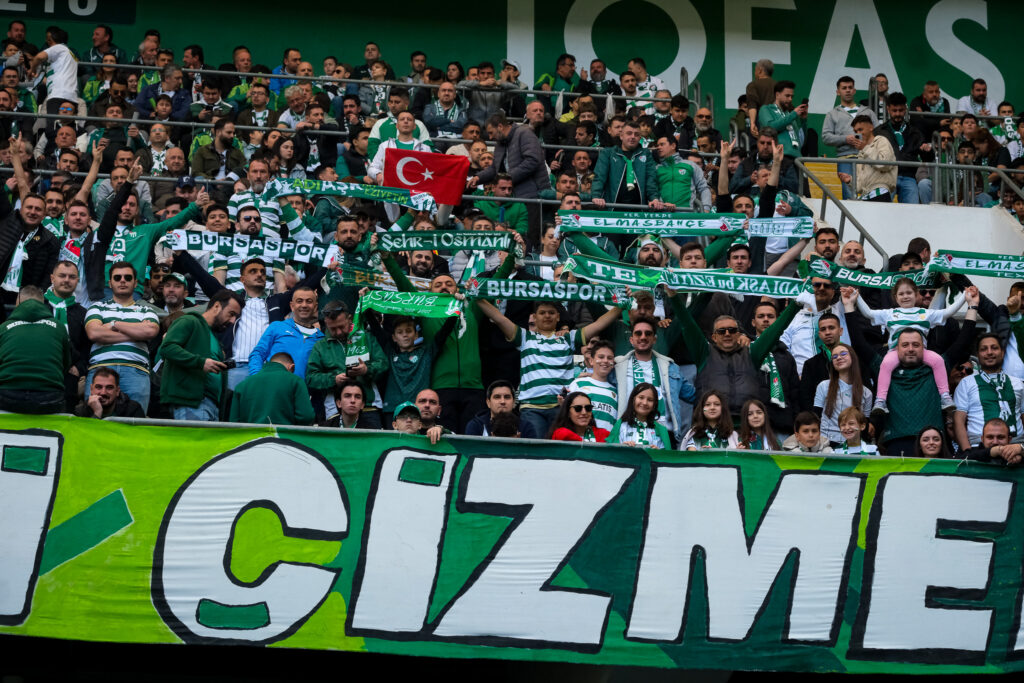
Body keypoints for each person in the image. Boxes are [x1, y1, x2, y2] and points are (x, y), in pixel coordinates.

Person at [474, 297, 624, 439]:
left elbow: (599, 324)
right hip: (532, 407)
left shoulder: (569, 338)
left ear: (558, 317)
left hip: (560, 407)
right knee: (536, 451)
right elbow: (499, 318)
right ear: (534, 317)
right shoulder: (525, 337)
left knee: (560, 450)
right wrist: (476, 297)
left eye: (551, 313)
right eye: (542, 313)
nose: (547, 316)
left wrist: (621, 306)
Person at [854, 278, 965, 415]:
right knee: (885, 364)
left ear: (916, 294)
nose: (905, 296)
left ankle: (945, 396)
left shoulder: (925, 313)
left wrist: (965, 296)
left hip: (921, 352)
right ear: (895, 297)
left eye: (909, 293)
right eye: (901, 294)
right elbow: (868, 313)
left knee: (938, 360)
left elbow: (948, 312)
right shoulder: (890, 313)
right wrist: (856, 295)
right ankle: (880, 400)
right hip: (896, 352)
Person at [158, 289, 242, 421]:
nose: (233, 321)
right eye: (231, 314)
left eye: (236, 317)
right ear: (216, 306)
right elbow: (167, 347)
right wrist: (201, 363)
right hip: (191, 403)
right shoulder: (189, 320)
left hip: (211, 406)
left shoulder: (214, 338)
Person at [85, 263, 159, 411]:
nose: (123, 281)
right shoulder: (97, 307)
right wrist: (135, 334)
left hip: (136, 370)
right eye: (117, 278)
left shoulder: (147, 310)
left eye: (128, 277)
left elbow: (150, 331)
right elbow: (94, 333)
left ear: (135, 283)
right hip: (101, 370)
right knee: (95, 420)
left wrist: (114, 324)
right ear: (110, 283)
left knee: (134, 421)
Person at [472, 112, 551, 245]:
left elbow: (532, 161)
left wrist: (508, 178)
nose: (490, 137)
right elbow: (494, 168)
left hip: (532, 194)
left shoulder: (525, 133)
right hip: (514, 194)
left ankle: (529, 256)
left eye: (491, 133)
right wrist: (478, 178)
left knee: (529, 235)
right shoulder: (500, 142)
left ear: (500, 126)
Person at [306, 300, 385, 427]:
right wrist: (334, 379)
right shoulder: (320, 347)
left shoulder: (366, 338)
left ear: (350, 319)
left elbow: (383, 364)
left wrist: (366, 370)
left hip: (368, 406)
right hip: (335, 409)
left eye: (341, 327)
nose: (338, 332)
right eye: (333, 329)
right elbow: (311, 378)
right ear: (326, 323)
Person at [0, 285, 70, 414]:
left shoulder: (4, 328)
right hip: (50, 396)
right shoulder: (59, 327)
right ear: (43, 304)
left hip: (8, 395)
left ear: (17, 303)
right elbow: (66, 364)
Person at [953, 333, 1024, 450]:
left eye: (994, 348)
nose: (989, 352)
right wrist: (967, 452)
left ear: (1002, 352)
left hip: (1015, 447)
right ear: (978, 355)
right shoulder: (966, 383)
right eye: (984, 349)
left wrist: (1021, 448)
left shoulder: (1018, 383)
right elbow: (959, 421)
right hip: (979, 448)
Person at [248, 286, 323, 378]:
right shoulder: (277, 327)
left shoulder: (321, 339)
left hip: (302, 387)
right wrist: (257, 378)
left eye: (309, 301)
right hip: (274, 384)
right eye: (299, 301)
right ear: (292, 306)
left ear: (315, 306)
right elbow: (258, 354)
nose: (304, 305)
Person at [590, 120, 664, 212]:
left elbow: (651, 178)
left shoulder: (646, 154)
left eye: (636, 134)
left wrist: (654, 198)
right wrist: (596, 196)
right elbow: (599, 176)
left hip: (639, 208)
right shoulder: (608, 153)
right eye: (629, 133)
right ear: (621, 136)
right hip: (612, 207)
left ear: (640, 138)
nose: (633, 137)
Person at [874, 92, 934, 204]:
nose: (897, 114)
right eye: (894, 110)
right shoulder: (879, 131)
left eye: (900, 110)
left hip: (909, 177)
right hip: (886, 176)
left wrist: (927, 151)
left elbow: (928, 158)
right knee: (883, 208)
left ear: (905, 109)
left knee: (912, 209)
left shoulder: (915, 132)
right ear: (888, 109)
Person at [823, 77, 877, 198]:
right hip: (845, 158)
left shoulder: (868, 112)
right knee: (849, 196)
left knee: (870, 192)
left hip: (867, 156)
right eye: (844, 88)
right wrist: (845, 139)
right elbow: (826, 137)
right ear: (838, 92)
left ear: (854, 90)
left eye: (850, 87)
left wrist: (866, 144)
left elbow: (878, 133)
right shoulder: (832, 114)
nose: (847, 90)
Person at [813, 343, 874, 447]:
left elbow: (865, 423)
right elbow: (816, 416)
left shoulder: (866, 393)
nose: (839, 358)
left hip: (853, 445)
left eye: (843, 354)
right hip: (826, 444)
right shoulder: (824, 386)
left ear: (853, 357)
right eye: (834, 356)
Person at [230, 351, 315, 426]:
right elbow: (306, 416)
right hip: (284, 437)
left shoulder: (242, 385)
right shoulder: (296, 381)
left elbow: (233, 422)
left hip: (251, 437)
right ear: (291, 367)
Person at [837, 115, 896, 201]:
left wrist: (865, 148)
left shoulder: (881, 140)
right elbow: (861, 187)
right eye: (855, 131)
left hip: (880, 193)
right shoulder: (862, 151)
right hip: (867, 195)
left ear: (871, 127)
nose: (858, 133)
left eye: (860, 129)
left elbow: (885, 164)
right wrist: (850, 180)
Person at [567, 339, 618, 433]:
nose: (605, 361)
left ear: (613, 363)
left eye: (609, 358)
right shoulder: (578, 384)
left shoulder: (616, 392)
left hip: (606, 440)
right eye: (601, 357)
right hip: (580, 439)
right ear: (591, 360)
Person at [607, 382, 671, 448]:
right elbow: (611, 451)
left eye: (650, 400)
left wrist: (657, 452)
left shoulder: (661, 429)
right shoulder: (621, 424)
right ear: (633, 399)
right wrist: (623, 447)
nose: (645, 403)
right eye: (641, 397)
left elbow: (667, 454)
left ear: (654, 404)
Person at [758, 80, 807, 162]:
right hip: (780, 157)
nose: (790, 99)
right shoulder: (766, 109)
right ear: (777, 95)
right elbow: (770, 128)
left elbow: (801, 140)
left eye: (792, 96)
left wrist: (803, 120)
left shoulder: (790, 115)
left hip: (797, 159)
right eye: (787, 96)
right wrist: (793, 114)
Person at [74, 367, 145, 418]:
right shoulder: (81, 411)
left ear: (117, 391)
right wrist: (97, 413)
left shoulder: (133, 410)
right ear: (91, 389)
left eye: (109, 387)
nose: (103, 392)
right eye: (99, 387)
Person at [745, 59, 776, 135]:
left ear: (760, 70)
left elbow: (752, 105)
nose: (754, 73)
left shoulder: (753, 85)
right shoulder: (778, 85)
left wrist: (752, 123)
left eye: (755, 70)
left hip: (761, 122)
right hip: (777, 120)